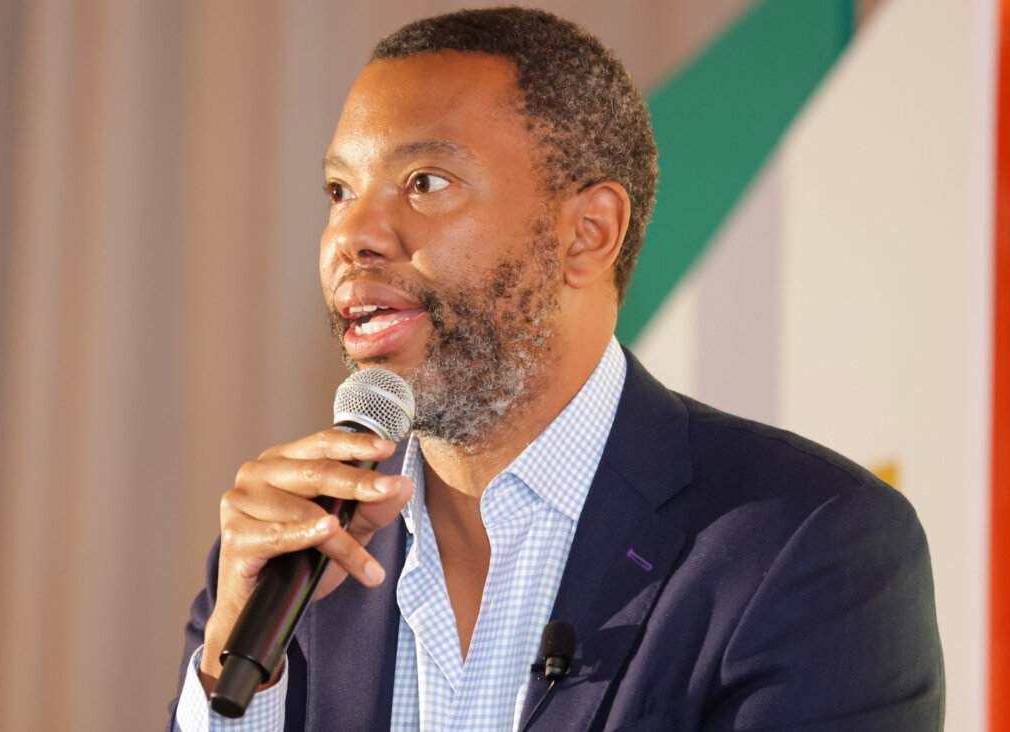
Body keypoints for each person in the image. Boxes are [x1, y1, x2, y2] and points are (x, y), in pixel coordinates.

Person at [170, 7, 944, 730]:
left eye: (424, 183)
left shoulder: (808, 544)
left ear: (587, 234)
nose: (353, 236)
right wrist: (238, 683)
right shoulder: (286, 560)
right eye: (339, 191)